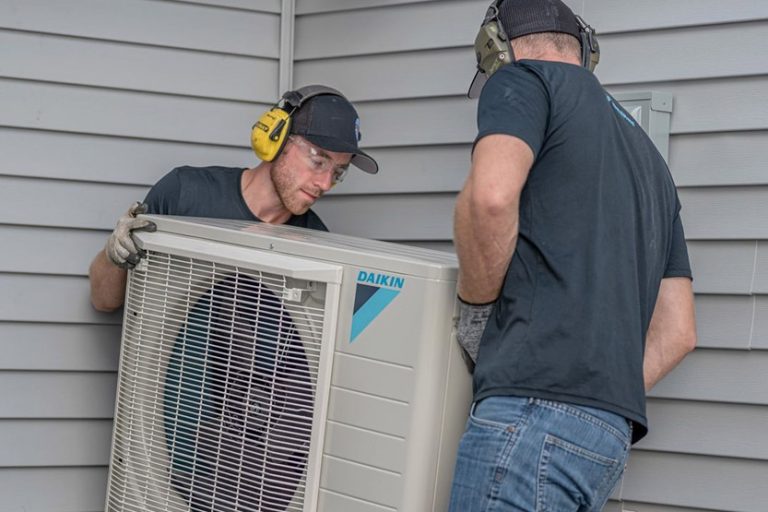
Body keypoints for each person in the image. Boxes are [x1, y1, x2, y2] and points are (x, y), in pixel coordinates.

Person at [449, 1, 697, 511]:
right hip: (605, 436)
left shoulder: (523, 80)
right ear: (586, 51)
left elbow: (491, 197)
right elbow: (678, 332)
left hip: (527, 419)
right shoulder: (650, 160)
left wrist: (475, 315)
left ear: (497, 48)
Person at [89, 85, 378, 312]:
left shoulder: (316, 244)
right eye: (318, 161)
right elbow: (103, 301)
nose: (326, 183)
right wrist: (116, 254)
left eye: (338, 172)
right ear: (276, 139)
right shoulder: (185, 193)